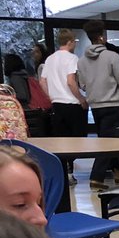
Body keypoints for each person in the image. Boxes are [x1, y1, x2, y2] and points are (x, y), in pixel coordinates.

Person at [77, 21, 119, 191]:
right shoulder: (112, 56)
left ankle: (118, 171)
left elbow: (82, 84)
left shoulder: (81, 61)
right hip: (111, 104)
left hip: (95, 106)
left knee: (109, 138)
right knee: (108, 142)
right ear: (102, 36)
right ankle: (96, 177)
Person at [40, 29, 88, 183]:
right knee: (76, 140)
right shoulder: (72, 58)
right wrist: (81, 98)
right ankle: (70, 169)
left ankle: (63, 173)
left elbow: (42, 81)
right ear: (70, 42)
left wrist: (51, 96)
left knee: (60, 141)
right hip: (72, 104)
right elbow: (70, 81)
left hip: (57, 104)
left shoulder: (50, 59)